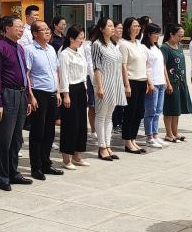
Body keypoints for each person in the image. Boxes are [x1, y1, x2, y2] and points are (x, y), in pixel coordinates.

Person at [0, 16, 34, 191]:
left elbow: (25, 74)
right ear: (7, 28)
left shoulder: (19, 47)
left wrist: (28, 96)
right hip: (7, 94)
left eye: (22, 27)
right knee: (4, 139)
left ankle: (13, 172)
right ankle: (2, 177)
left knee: (17, 138)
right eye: (18, 27)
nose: (21, 30)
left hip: (21, 95)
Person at [25, 21, 62, 180]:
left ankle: (46, 163)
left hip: (52, 93)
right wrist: (30, 96)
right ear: (35, 34)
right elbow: (26, 74)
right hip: (38, 94)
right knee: (38, 131)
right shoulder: (29, 50)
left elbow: (55, 71)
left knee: (50, 131)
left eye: (48, 29)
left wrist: (58, 91)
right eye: (43, 30)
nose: (48, 32)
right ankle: (36, 167)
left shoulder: (51, 49)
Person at [90, 17, 127, 161]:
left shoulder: (113, 44)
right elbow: (97, 67)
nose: (112, 28)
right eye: (109, 26)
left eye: (113, 26)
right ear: (101, 29)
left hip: (115, 82)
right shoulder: (97, 45)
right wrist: (100, 86)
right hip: (104, 83)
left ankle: (108, 145)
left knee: (109, 116)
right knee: (101, 115)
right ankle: (101, 147)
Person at [57, 25, 90, 168]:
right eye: (79, 38)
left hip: (81, 89)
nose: (82, 41)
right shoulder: (65, 54)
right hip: (70, 89)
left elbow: (84, 74)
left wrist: (86, 91)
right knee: (70, 124)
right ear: (71, 38)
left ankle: (77, 155)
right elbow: (63, 75)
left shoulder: (80, 52)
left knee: (81, 123)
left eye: (83, 38)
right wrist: (65, 94)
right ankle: (66, 158)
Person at [119, 18, 147, 154]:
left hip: (142, 80)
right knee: (130, 112)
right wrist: (126, 85)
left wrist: (148, 81)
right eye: (134, 26)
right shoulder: (124, 45)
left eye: (138, 26)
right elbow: (123, 66)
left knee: (139, 112)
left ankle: (133, 139)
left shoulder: (139, 44)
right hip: (132, 81)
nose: (137, 28)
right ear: (128, 28)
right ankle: (127, 141)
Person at [161, 23, 192, 142]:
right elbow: (163, 66)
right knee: (170, 109)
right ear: (171, 34)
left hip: (181, 82)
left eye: (182, 36)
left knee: (177, 108)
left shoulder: (179, 46)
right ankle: (168, 134)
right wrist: (167, 83)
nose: (181, 38)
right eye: (179, 36)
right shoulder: (165, 48)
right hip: (171, 82)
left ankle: (175, 132)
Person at [142, 23, 166, 149]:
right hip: (153, 83)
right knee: (150, 111)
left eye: (158, 33)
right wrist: (149, 82)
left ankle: (155, 135)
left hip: (160, 82)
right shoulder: (144, 48)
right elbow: (145, 67)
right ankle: (149, 137)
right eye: (155, 33)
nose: (158, 36)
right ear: (148, 34)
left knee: (158, 111)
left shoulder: (156, 47)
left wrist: (165, 81)